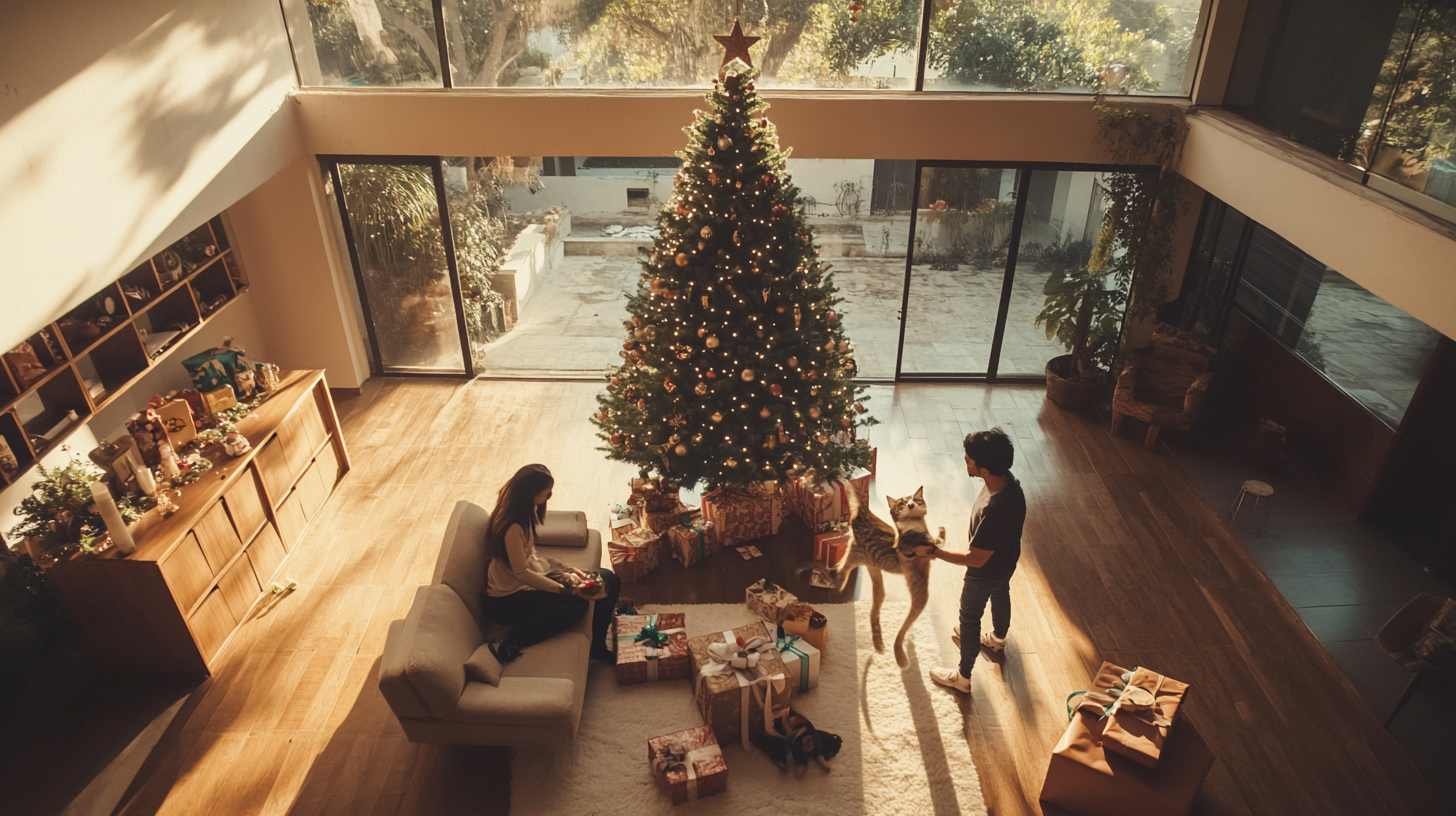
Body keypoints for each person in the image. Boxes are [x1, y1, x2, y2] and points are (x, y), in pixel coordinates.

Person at [916, 428, 1026, 694]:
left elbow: (975, 559)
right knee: (1001, 594)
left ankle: (962, 677)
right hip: (1007, 561)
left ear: (984, 469)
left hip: (984, 571)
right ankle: (998, 639)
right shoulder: (1011, 484)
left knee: (969, 617)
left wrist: (935, 552)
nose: (965, 462)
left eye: (969, 460)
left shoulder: (996, 510)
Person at [480, 464, 620, 665]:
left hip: (527, 581)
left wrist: (568, 569)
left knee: (607, 578)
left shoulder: (525, 512)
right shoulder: (512, 526)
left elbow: (531, 556)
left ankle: (596, 645)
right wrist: (563, 590)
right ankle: (511, 641)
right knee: (578, 605)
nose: (549, 497)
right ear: (531, 493)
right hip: (505, 600)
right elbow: (522, 573)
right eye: (547, 494)